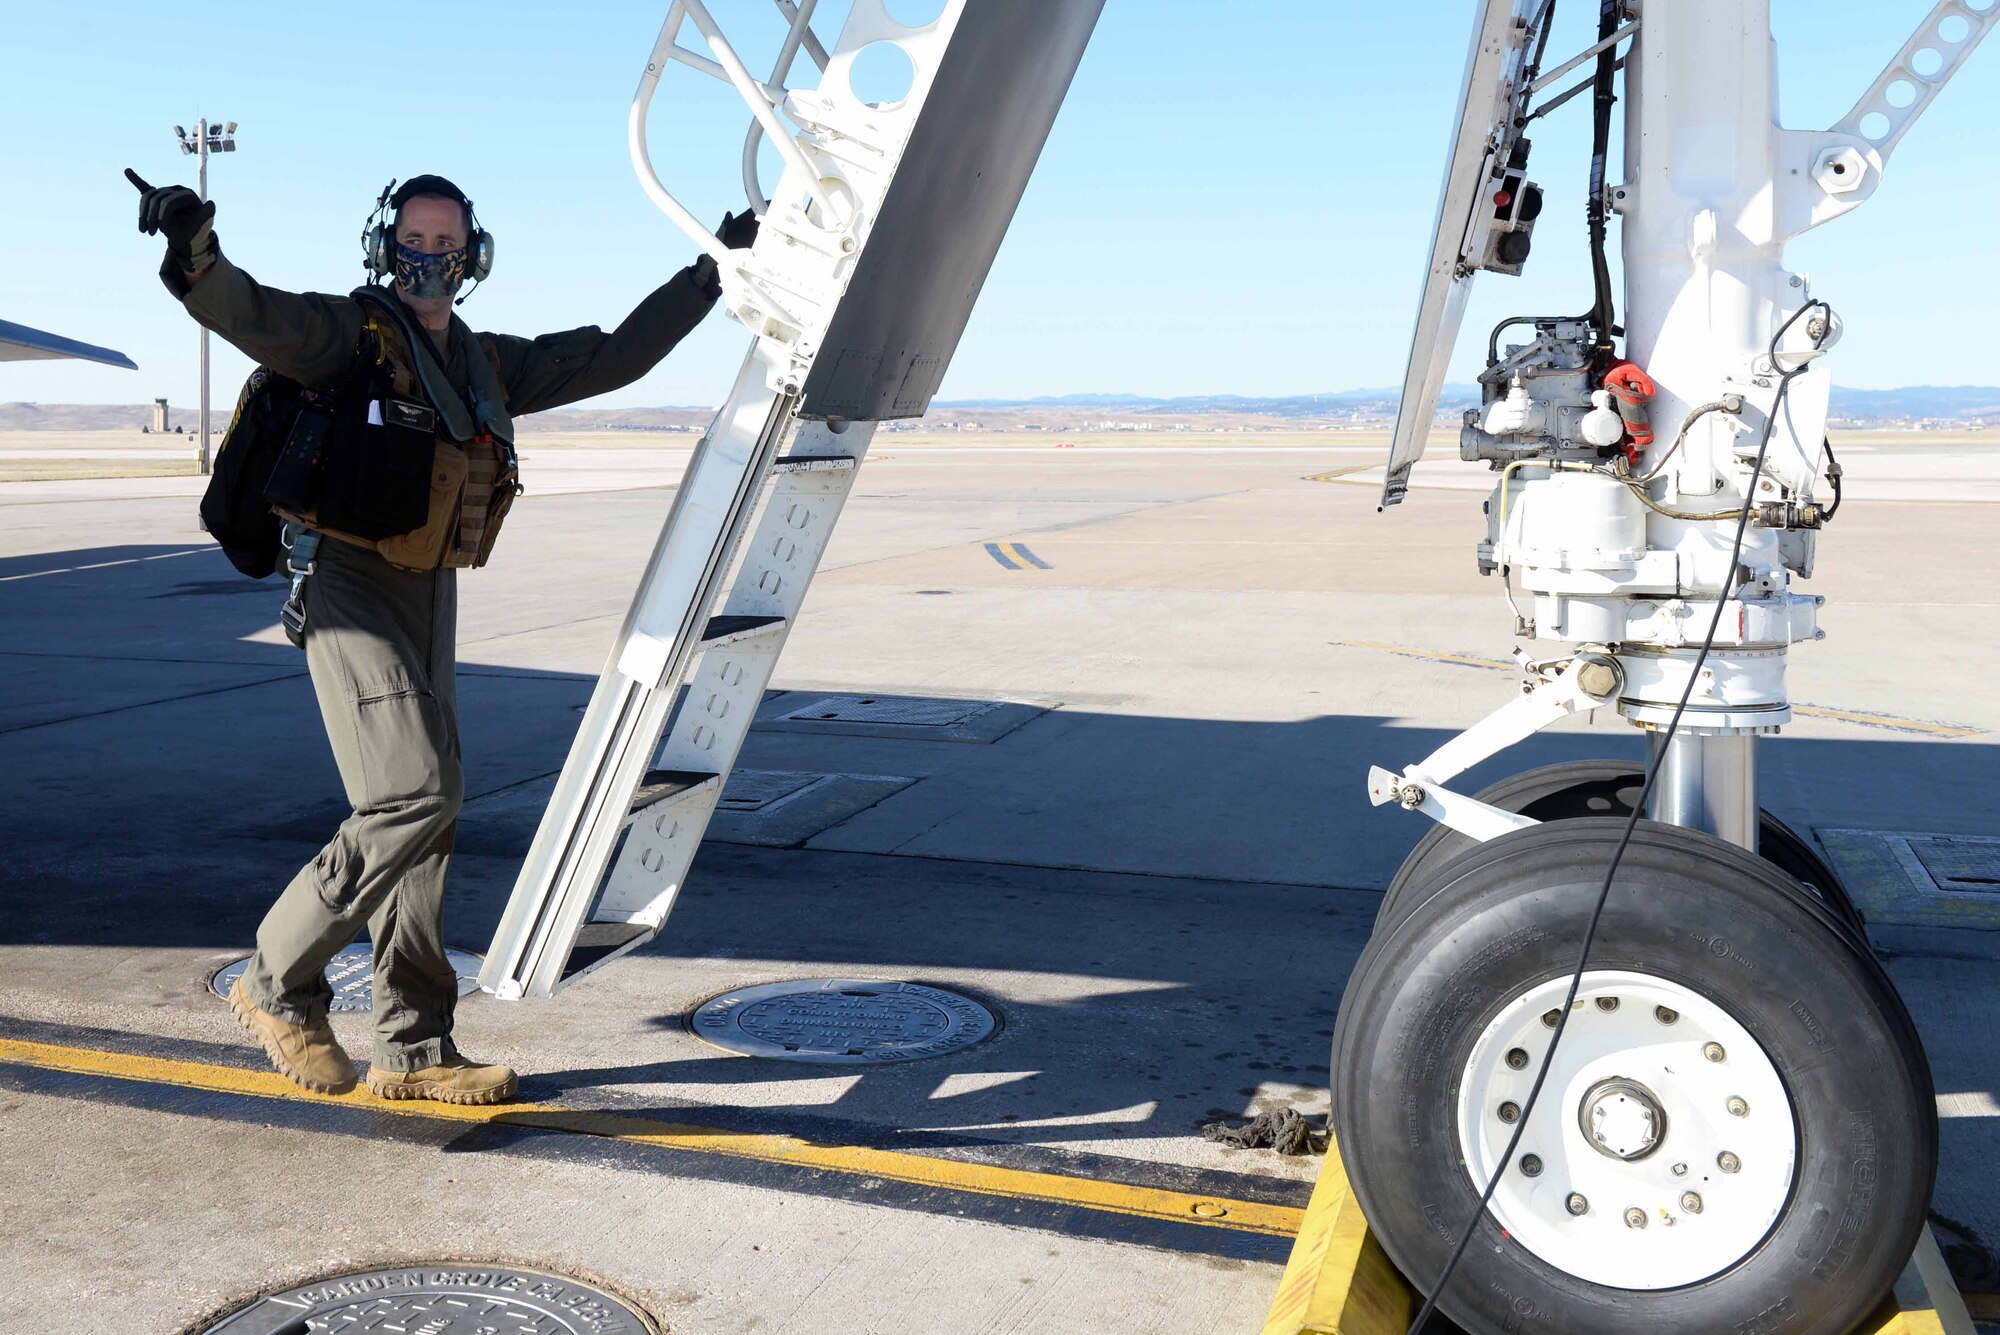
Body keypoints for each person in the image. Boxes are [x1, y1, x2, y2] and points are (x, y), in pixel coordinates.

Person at [130, 170, 754, 1105]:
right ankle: (276, 981)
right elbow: (247, 312)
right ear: (387, 245)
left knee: (428, 823)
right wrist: (191, 245)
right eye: (416, 242)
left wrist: (709, 275)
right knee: (413, 790)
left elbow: (615, 357)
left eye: (448, 245)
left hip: (430, 592)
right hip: (345, 586)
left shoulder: (481, 362)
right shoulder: (348, 335)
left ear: (474, 257)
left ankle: (415, 1048)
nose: (431, 259)